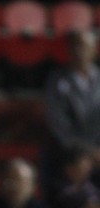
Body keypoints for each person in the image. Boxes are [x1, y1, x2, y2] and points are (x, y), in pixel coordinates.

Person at [44, 29, 100, 187]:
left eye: (84, 46)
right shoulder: (57, 81)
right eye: (75, 46)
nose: (79, 51)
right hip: (70, 153)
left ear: (94, 50)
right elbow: (59, 125)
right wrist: (86, 152)